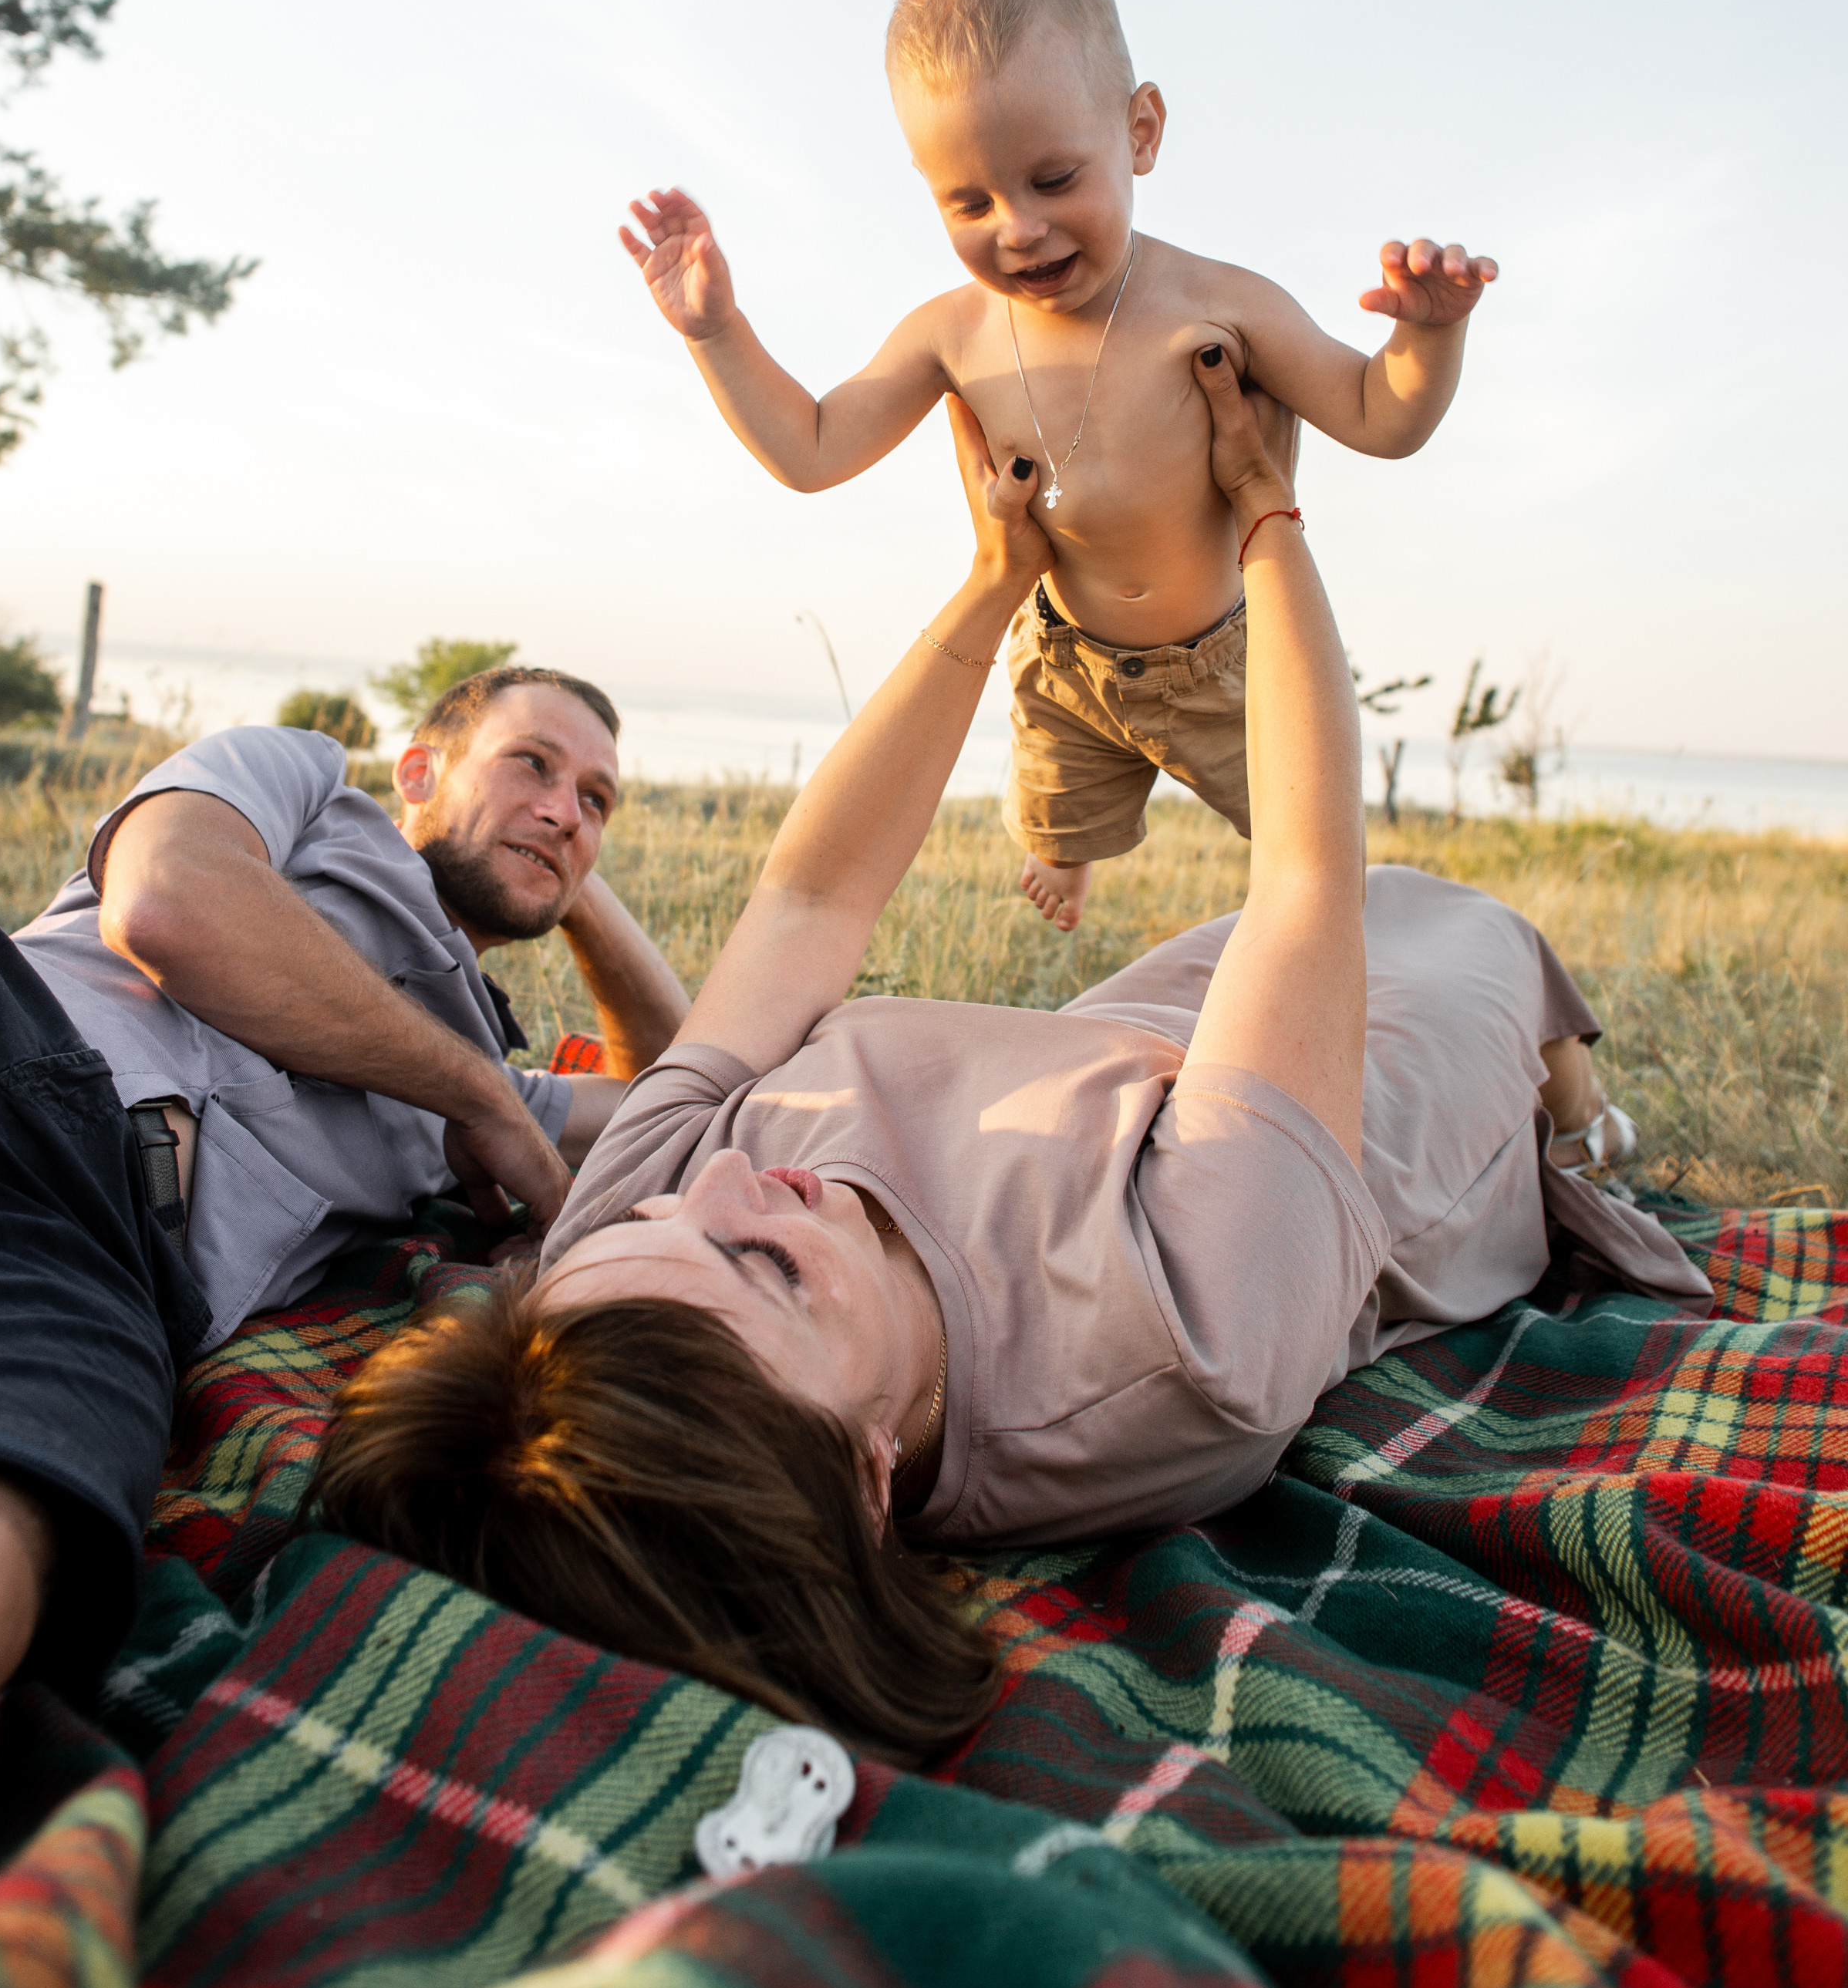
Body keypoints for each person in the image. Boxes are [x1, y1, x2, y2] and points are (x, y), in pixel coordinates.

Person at [310, 374, 1710, 1768]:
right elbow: (1305, 879)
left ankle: (1579, 1108)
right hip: (1362, 1120)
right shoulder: (1183, 1347)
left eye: (666, 1228)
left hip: (1109, 1061)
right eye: (768, 1270)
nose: (724, 1178)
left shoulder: (626, 1240)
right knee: (1458, 936)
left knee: (1331, 931)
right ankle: (1577, 1134)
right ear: (870, 1480)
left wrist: (994, 582)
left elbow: (806, 908)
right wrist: (1266, 516)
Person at [619, 0, 1499, 931]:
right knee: (1055, 809)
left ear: (1140, 132)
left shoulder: (1221, 302)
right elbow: (812, 451)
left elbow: (1380, 420)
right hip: (1064, 662)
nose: (1018, 228)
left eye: (1052, 180)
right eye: (969, 200)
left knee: (1313, 853)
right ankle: (1072, 852)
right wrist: (717, 333)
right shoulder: (951, 332)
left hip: (1225, 666)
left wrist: (1429, 340)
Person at [0, 665, 689, 1708]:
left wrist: (562, 870)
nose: (565, 808)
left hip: (103, 1270)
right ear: (418, 770)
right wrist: (481, 1100)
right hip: (27, 1049)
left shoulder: (489, 1078)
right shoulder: (299, 784)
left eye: (598, 802)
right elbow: (167, 903)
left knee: (37, 1519)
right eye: (530, 765)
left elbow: (680, 1079)